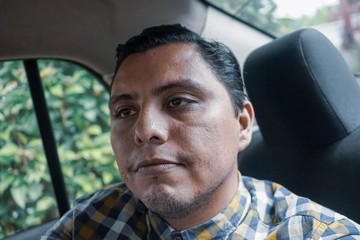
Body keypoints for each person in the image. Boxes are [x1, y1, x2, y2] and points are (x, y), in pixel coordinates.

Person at [41, 24, 360, 239]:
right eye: (125, 111)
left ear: (242, 124)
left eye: (178, 101)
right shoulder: (91, 221)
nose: (145, 130)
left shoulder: (319, 234)